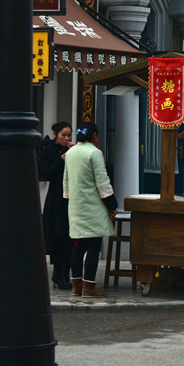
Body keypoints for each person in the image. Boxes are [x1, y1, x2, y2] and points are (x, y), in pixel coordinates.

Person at [63, 122, 118, 298]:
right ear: (94, 135)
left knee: (78, 247)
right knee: (94, 247)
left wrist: (71, 200)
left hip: (76, 206)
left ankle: (76, 287)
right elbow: (102, 182)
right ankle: (89, 287)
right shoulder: (94, 153)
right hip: (92, 207)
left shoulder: (70, 153)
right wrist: (112, 205)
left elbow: (66, 181)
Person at [38, 122, 75, 290]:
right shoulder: (48, 152)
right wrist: (61, 161)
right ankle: (58, 273)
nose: (67, 139)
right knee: (58, 235)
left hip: (71, 198)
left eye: (69, 135)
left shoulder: (73, 150)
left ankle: (66, 274)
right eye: (63, 135)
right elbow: (45, 173)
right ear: (55, 135)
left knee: (70, 238)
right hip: (56, 199)